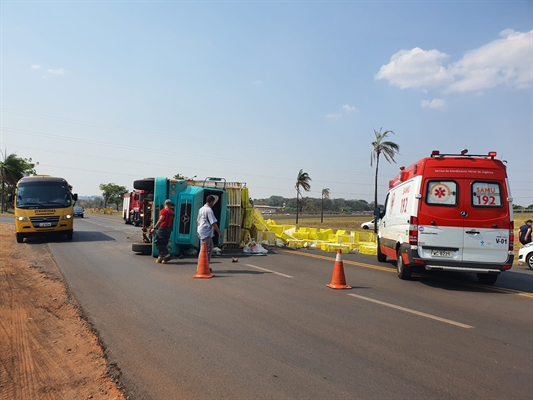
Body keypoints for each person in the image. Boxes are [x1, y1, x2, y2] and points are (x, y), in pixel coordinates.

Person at [197, 195, 223, 265]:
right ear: (211, 201)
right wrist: (219, 232)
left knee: (207, 248)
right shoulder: (209, 210)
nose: (213, 204)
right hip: (206, 232)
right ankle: (204, 265)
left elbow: (198, 221)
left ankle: (203, 265)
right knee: (206, 250)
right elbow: (213, 223)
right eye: (213, 202)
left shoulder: (201, 209)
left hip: (202, 231)